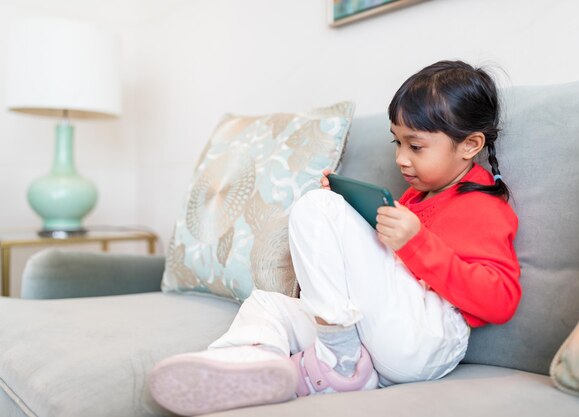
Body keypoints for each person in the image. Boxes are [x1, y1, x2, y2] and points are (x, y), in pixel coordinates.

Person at [149, 60, 521, 416]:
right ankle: (243, 365)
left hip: (425, 340)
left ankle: (338, 360)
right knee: (268, 305)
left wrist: (413, 242)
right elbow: (378, 273)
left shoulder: (481, 206)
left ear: (470, 145)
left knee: (316, 205)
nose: (402, 159)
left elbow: (500, 301)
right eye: (397, 144)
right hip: (375, 336)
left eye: (416, 146)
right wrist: (345, 215)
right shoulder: (416, 197)